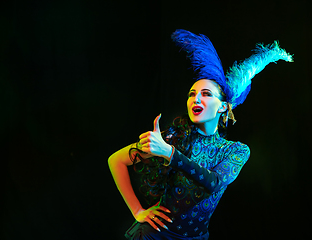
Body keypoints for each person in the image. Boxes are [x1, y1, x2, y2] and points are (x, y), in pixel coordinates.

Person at [108, 29, 293, 240]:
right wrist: (137, 211)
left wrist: (170, 154)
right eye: (192, 94)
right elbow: (116, 160)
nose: (196, 99)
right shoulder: (173, 137)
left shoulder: (235, 151)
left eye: (206, 94)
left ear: (223, 107)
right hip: (153, 236)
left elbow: (213, 182)